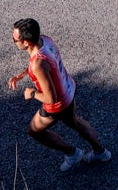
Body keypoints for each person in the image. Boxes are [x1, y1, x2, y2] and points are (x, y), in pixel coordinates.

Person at [7, 18, 111, 172]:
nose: (13, 40)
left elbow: (50, 98)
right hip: (68, 89)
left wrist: (32, 93)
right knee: (75, 122)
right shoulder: (44, 40)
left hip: (57, 104)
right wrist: (22, 75)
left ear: (26, 42)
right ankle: (101, 152)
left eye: (14, 39)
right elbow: (42, 66)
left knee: (34, 131)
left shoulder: (38, 64)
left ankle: (72, 153)